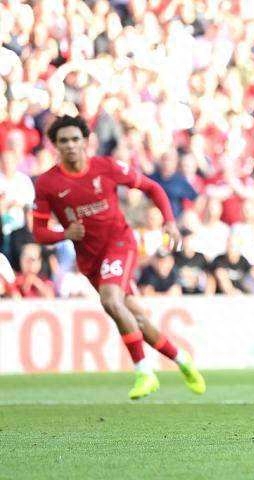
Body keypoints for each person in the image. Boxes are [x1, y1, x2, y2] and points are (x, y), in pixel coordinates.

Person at [32, 115, 206, 400]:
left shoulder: (106, 167)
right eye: (63, 141)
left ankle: (144, 372)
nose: (70, 145)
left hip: (120, 243)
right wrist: (64, 234)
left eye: (75, 139)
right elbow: (38, 231)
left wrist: (169, 221)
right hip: (89, 259)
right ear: (55, 146)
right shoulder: (47, 183)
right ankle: (182, 359)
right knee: (136, 317)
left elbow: (152, 187)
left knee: (111, 300)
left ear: (86, 142)